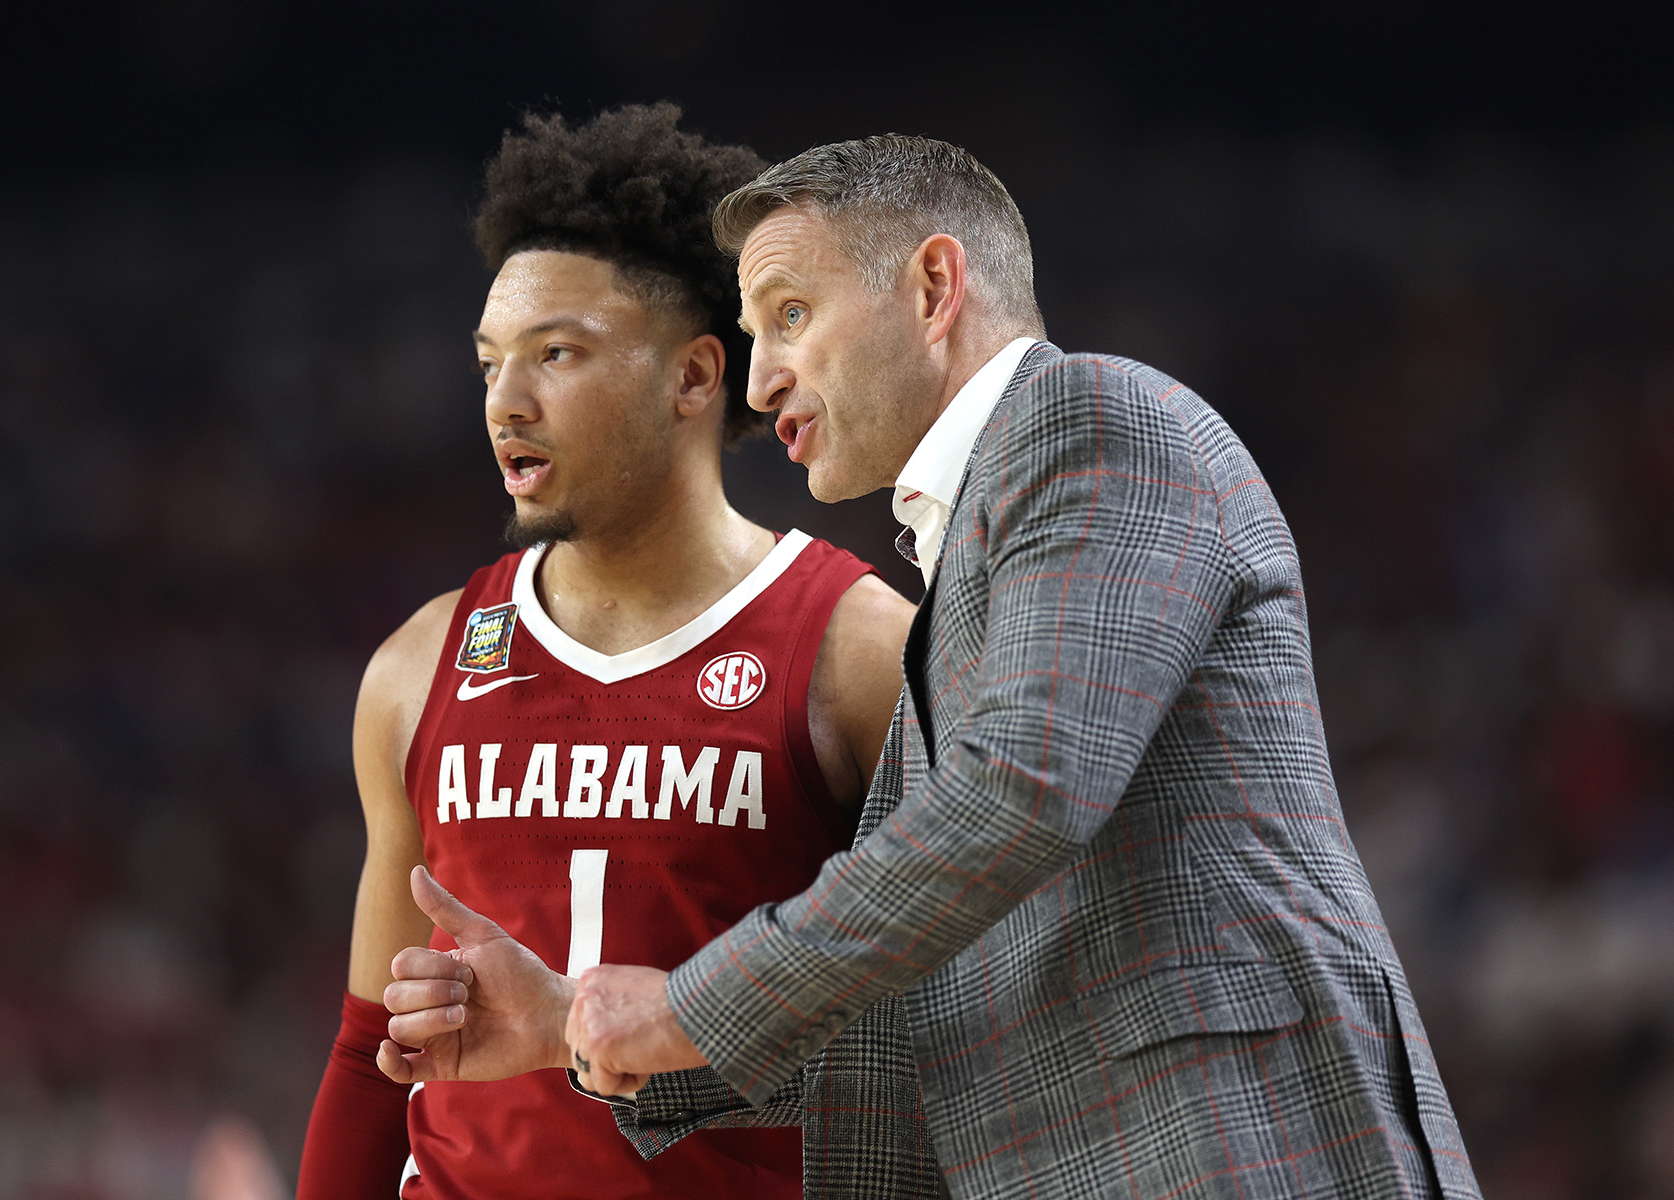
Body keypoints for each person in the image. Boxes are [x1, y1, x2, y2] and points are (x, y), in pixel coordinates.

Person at [398, 134, 1485, 1198]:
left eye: (790, 315)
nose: (763, 377)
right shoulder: (962, 576)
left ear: (932, 287)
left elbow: (1022, 793)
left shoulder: (1092, 421)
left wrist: (687, 1007)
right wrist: (578, 1030)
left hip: (1233, 1151)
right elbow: (930, 1025)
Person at [294, 107, 918, 1200]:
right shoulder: (417, 669)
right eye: (490, 363)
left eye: (558, 354)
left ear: (691, 377)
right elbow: (367, 1058)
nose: (506, 402)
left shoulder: (861, 652)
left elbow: (943, 1050)